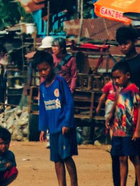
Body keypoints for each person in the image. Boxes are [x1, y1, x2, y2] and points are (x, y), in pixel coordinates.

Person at [113, 26, 140, 186]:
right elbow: (116, 92)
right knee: (118, 154)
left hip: (137, 116)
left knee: (136, 153)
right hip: (120, 119)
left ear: (135, 42)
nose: (123, 47)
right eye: (120, 44)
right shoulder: (120, 65)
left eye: (126, 43)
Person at [34, 50, 79, 186]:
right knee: (56, 159)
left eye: (45, 69)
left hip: (64, 127)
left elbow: (69, 103)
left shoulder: (60, 82)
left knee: (66, 157)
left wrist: (67, 122)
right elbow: (42, 109)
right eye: (40, 70)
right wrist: (42, 128)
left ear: (52, 66)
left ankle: (74, 184)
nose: (43, 73)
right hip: (52, 129)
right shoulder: (42, 87)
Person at [107, 61, 140, 186]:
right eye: (114, 78)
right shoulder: (119, 90)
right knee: (121, 158)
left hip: (129, 130)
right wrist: (110, 116)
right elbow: (116, 104)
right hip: (118, 130)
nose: (116, 81)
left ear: (127, 75)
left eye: (118, 77)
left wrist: (137, 130)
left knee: (134, 157)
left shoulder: (133, 89)